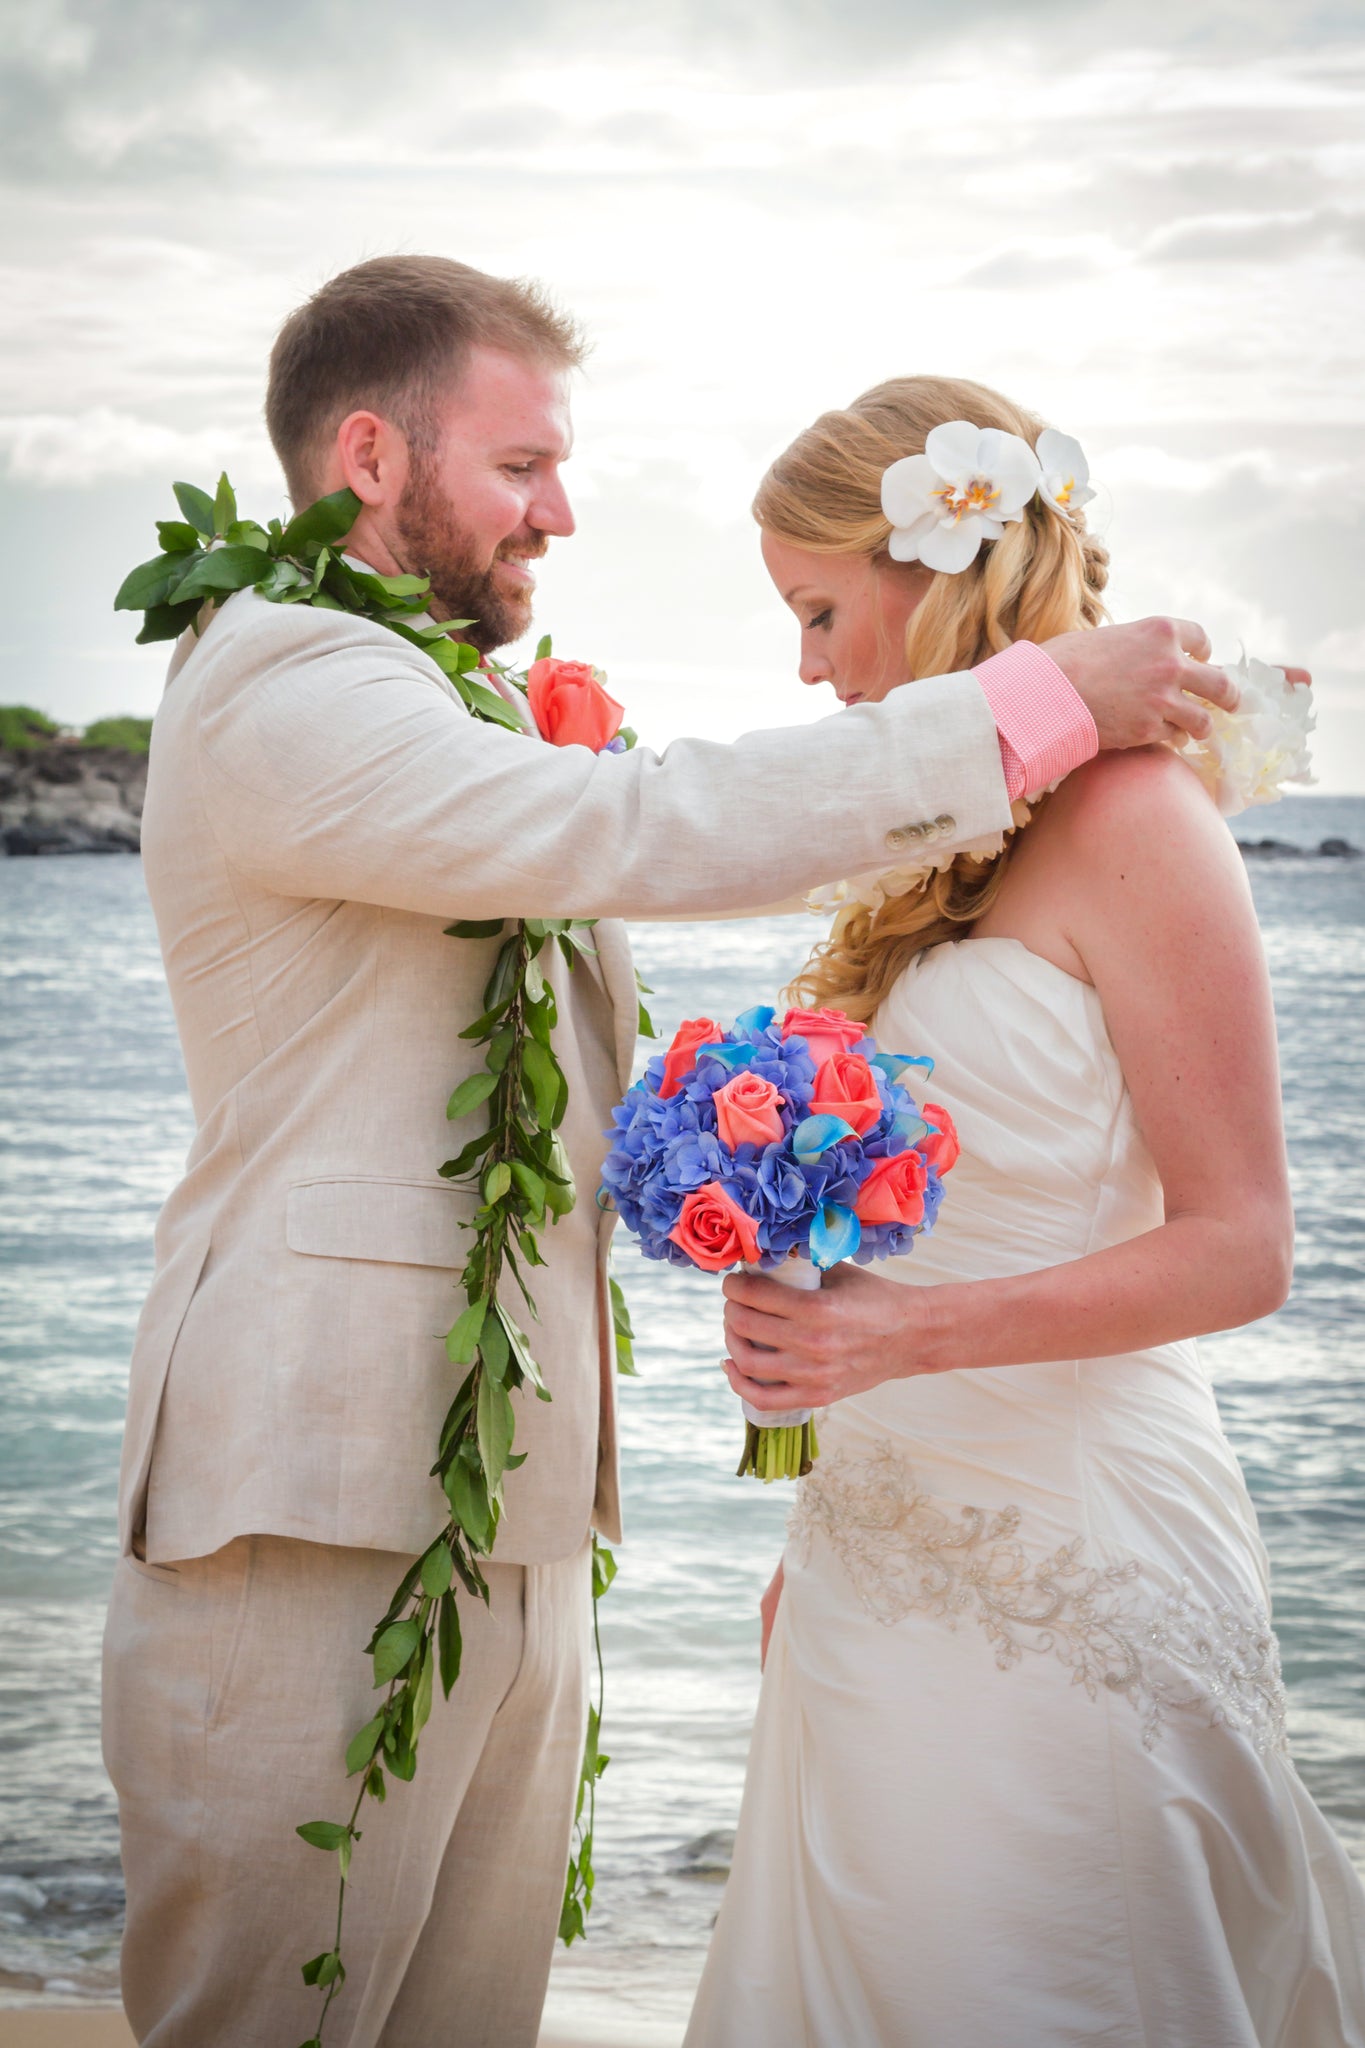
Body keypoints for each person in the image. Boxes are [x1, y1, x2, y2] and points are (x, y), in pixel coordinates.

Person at [102, 260, 1244, 2048]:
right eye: (522, 468)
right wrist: (1032, 712)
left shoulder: (437, 703)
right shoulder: (280, 678)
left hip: (508, 1493)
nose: (561, 515)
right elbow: (621, 824)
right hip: (313, 1483)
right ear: (369, 456)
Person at [690, 374, 1365, 2048]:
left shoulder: (1141, 824)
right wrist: (819, 1507)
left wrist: (901, 1335)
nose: (808, 664)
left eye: (821, 609)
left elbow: (1242, 1244)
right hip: (873, 1554)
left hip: (1068, 1546)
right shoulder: (932, 857)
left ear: (936, 576)